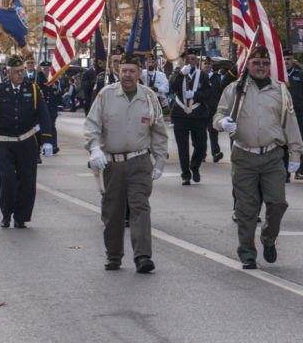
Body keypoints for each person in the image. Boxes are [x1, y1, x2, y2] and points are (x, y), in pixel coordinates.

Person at [213, 45, 303, 269]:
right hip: (244, 155)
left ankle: (268, 238)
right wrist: (222, 124)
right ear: (248, 65)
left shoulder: (280, 90)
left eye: (265, 63)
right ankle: (247, 253)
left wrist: (295, 152)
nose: (261, 67)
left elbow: (290, 122)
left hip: (272, 155)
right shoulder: (235, 89)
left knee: (277, 203)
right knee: (246, 209)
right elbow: (219, 114)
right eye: (256, 63)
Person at [85, 53, 169, 273]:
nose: (127, 75)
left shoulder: (149, 97)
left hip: (139, 161)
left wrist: (159, 161)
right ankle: (113, 255)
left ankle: (142, 256)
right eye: (124, 70)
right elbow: (92, 125)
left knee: (140, 206)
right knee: (112, 212)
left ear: (139, 73)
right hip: (112, 164)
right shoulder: (106, 95)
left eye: (132, 71)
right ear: (118, 72)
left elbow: (159, 132)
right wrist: (94, 148)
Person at [0, 54, 54, 228]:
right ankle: (6, 214)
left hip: (27, 141)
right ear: (8, 73)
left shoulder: (34, 90)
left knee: (27, 182)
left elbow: (44, 115)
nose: (20, 75)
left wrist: (47, 140)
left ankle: (21, 217)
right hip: (5, 142)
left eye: (22, 71)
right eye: (16, 72)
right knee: (7, 181)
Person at [169, 47, 212, 184]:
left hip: (198, 115)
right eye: (188, 59)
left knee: (201, 146)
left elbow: (208, 94)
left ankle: (195, 166)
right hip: (180, 115)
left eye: (193, 59)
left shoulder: (203, 75)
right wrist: (181, 74)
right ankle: (185, 174)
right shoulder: (177, 73)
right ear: (183, 60)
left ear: (196, 60)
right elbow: (173, 88)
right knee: (183, 148)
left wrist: (194, 95)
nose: (191, 61)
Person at [283, 49, 303, 180]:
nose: (286, 62)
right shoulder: (277, 75)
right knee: (283, 144)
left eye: (288, 59)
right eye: (284, 59)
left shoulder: (300, 75)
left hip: (298, 114)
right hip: (282, 115)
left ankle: (300, 171)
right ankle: (285, 173)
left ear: (292, 60)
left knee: (300, 142)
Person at [201, 56, 224, 163]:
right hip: (200, 109)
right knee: (201, 134)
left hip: (213, 109)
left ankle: (215, 153)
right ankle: (201, 154)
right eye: (205, 64)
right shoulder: (198, 77)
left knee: (213, 132)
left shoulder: (216, 78)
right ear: (202, 65)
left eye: (209, 64)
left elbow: (220, 92)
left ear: (212, 65)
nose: (207, 66)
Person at [36, 61, 62, 155]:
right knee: (41, 127)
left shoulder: (55, 80)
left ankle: (54, 145)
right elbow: (44, 86)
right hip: (41, 108)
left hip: (51, 108)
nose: (46, 71)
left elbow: (58, 95)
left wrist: (60, 108)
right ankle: (43, 145)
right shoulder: (38, 79)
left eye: (48, 69)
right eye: (44, 69)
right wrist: (39, 73)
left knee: (51, 126)